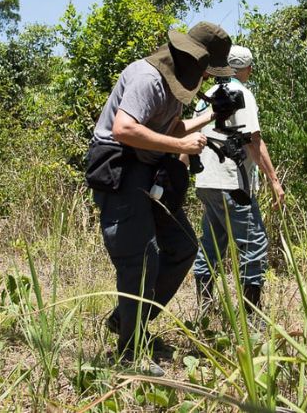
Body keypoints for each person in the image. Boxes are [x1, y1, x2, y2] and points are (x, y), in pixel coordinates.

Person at [85, 22, 233, 374]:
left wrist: (212, 116)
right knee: (142, 255)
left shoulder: (176, 83)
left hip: (148, 168)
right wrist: (181, 147)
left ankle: (127, 321)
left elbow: (172, 129)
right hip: (120, 166)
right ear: (194, 60)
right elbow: (125, 128)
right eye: (209, 69)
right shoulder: (148, 77)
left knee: (182, 247)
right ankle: (130, 353)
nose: (208, 77)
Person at [192, 45, 285, 315]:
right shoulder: (241, 94)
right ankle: (250, 318)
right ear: (244, 69)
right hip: (232, 183)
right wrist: (274, 180)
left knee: (212, 243)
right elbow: (253, 140)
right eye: (250, 67)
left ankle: (206, 314)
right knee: (254, 244)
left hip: (206, 181)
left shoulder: (206, 95)